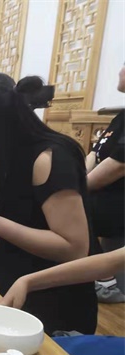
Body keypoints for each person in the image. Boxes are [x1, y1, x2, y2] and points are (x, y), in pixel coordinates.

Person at [0, 73, 97, 335]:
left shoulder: (50, 158)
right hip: (13, 267)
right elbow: (21, 217)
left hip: (52, 291)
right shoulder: (5, 150)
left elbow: (75, 248)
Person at [85, 64, 125, 303]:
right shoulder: (120, 118)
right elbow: (95, 151)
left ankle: (106, 282)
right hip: (101, 207)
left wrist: (77, 188)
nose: (120, 71)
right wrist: (78, 179)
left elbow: (119, 165)